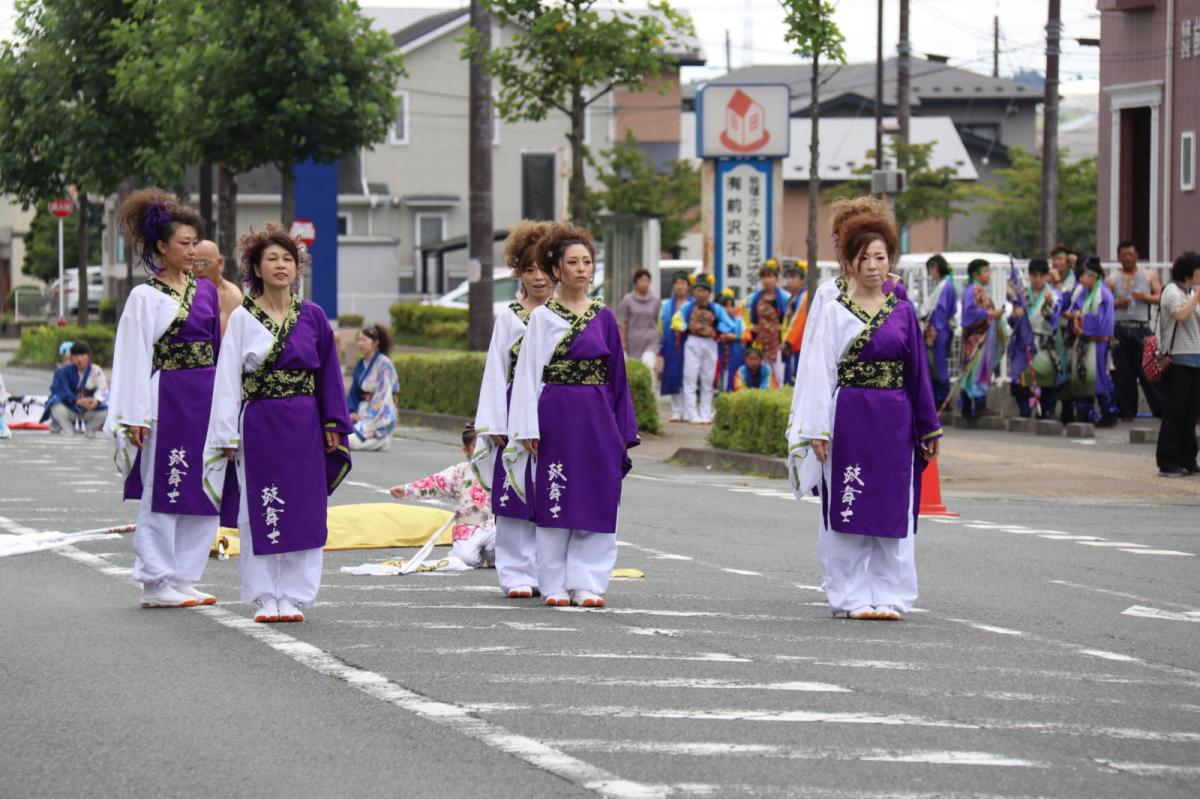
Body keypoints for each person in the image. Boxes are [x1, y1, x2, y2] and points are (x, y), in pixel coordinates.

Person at [792, 204, 941, 621]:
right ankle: (850, 595)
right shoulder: (835, 309)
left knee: (893, 505)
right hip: (850, 417)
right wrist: (816, 428)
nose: (873, 266)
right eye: (864, 257)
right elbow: (819, 372)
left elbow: (918, 375)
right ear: (849, 262)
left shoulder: (903, 311)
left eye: (881, 256)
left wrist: (928, 430)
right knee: (849, 503)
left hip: (895, 419)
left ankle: (891, 595)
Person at [204, 224, 352, 623]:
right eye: (272, 258)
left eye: (289, 258)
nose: (281, 265)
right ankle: (264, 594)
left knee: (305, 508)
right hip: (260, 423)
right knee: (260, 506)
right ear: (256, 266)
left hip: (305, 422)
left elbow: (329, 376)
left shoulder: (313, 316)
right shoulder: (241, 318)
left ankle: (295, 595)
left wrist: (332, 422)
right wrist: (225, 432)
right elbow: (228, 376)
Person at [506, 224, 639, 608]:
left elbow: (618, 378)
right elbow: (528, 375)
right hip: (556, 415)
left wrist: (622, 429)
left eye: (587, 262)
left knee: (596, 495)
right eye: (573, 262)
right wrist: (526, 427)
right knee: (556, 493)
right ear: (556, 269)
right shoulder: (544, 318)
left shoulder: (605, 317)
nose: (582, 269)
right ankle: (552, 583)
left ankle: (588, 583)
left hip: (598, 417)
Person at [105, 188, 222, 610]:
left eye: (196, 244)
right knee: (165, 487)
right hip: (167, 398)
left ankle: (184, 576)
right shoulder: (145, 296)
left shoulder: (205, 292)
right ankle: (155, 580)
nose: (193, 251)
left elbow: (218, 350)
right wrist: (134, 414)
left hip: (205, 398)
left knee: (206, 486)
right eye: (184, 244)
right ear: (161, 246)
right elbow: (133, 357)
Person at [472, 219, 553, 599]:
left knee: (553, 488)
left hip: (555, 410)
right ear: (518, 272)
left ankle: (549, 568)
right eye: (529, 269)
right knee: (515, 492)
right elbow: (495, 371)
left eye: (544, 268)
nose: (538, 278)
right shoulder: (510, 317)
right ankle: (516, 571)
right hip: (512, 413)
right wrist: (493, 422)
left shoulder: (563, 318)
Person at [392, 424, 496, 567]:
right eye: (476, 446)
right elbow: (435, 483)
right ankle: (477, 554)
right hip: (468, 527)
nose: (482, 451)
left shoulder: (502, 470)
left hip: (495, 526)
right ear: (467, 450)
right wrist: (406, 490)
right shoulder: (461, 472)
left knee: (501, 549)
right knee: (466, 560)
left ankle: (493, 557)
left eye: (487, 446)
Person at [1154, 252, 1200, 476]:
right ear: (1190, 271)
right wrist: (1196, 298)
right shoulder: (1172, 291)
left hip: (1195, 360)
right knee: (1175, 413)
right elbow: (1181, 315)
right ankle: (1167, 461)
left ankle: (1188, 459)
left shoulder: (1190, 293)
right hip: (1178, 360)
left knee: (1190, 413)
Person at [1108, 241, 1164, 420]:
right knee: (1123, 373)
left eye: (1130, 254)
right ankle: (1126, 411)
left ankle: (1160, 409)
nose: (1127, 258)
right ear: (1118, 258)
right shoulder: (1112, 278)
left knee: (1149, 370)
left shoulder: (1148, 275)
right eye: (1124, 255)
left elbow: (1162, 297)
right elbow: (1104, 303)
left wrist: (1145, 297)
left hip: (1142, 327)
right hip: (1120, 328)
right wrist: (1118, 303)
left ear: (1137, 256)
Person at [1064, 257, 1119, 427]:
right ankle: (1085, 413)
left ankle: (1108, 413)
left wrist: (1080, 319)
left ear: (1093, 276)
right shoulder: (1083, 292)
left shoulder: (1103, 294)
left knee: (1099, 379)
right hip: (1084, 341)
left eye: (1084, 276)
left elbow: (1102, 322)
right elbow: (1073, 310)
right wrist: (1074, 319)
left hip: (1098, 342)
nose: (1081, 280)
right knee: (1082, 377)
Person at [674, 274, 736, 424]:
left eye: (704, 290)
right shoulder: (688, 307)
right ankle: (692, 414)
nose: (701, 294)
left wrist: (717, 330)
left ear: (709, 292)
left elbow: (730, 324)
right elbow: (676, 320)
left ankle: (706, 413)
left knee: (708, 380)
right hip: (693, 341)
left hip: (710, 343)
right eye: (698, 290)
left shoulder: (717, 308)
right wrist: (685, 327)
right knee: (690, 378)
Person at [1008, 259, 1065, 418]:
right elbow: (1013, 322)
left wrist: (1048, 303)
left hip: (1044, 342)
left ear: (1046, 276)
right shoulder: (1022, 295)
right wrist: (1015, 315)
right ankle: (1024, 410)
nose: (1037, 279)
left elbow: (1052, 318)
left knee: (1047, 377)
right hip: (1024, 344)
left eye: (1041, 276)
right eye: (1034, 275)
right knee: (1021, 378)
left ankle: (1047, 411)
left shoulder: (1054, 295)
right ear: (1029, 275)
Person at [959, 259, 1007, 423]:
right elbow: (969, 313)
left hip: (982, 338)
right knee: (975, 371)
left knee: (977, 371)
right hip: (976, 339)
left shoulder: (977, 290)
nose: (989, 275)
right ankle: (974, 406)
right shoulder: (973, 290)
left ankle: (972, 406)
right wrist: (991, 314)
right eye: (986, 271)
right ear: (976, 274)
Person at [347, 323, 399, 451]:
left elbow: (383, 396)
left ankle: (381, 439)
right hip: (361, 410)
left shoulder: (384, 364)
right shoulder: (360, 364)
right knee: (340, 433)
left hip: (378, 414)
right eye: (358, 340)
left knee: (350, 440)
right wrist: (351, 411)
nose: (360, 343)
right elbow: (354, 392)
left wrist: (367, 416)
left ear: (375, 343)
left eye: (364, 340)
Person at [42, 340, 108, 437]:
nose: (79, 359)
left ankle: (90, 428)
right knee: (55, 405)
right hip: (70, 408)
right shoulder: (64, 371)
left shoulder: (96, 370)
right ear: (72, 357)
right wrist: (76, 400)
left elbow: (103, 389)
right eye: (76, 356)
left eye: (82, 355)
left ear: (88, 356)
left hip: (88, 409)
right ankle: (67, 428)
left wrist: (96, 401)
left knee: (107, 411)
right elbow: (59, 389)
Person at [920, 254, 956, 410]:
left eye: (930, 270)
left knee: (938, 365)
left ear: (935, 267)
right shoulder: (947, 284)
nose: (930, 274)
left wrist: (934, 329)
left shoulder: (945, 286)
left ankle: (941, 399)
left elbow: (940, 310)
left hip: (937, 331)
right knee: (935, 365)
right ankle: (939, 399)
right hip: (938, 330)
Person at [747, 262, 790, 386]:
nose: (767, 280)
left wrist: (783, 329)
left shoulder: (784, 297)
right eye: (764, 277)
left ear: (776, 279)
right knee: (764, 374)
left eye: (770, 276)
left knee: (779, 374)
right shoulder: (755, 298)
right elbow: (752, 320)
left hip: (778, 342)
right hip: (761, 341)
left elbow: (789, 320)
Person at [657, 271, 691, 422]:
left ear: (688, 286)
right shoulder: (667, 305)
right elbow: (661, 324)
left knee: (687, 375)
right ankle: (676, 410)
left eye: (682, 283)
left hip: (687, 341)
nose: (679, 286)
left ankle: (687, 409)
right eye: (676, 283)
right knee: (672, 374)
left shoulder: (692, 304)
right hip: (671, 342)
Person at [616, 267, 661, 375]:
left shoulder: (656, 301)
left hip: (651, 340)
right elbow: (623, 322)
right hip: (633, 340)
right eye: (641, 281)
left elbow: (656, 320)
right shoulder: (628, 300)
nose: (644, 283)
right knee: (634, 370)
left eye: (647, 281)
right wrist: (623, 341)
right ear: (636, 283)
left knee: (648, 365)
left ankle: (649, 390)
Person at [193, 239, 244, 334]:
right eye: (194, 263)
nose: (199, 269)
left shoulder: (231, 295)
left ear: (219, 262)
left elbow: (222, 337)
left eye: (205, 263)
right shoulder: (187, 290)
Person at [781, 265, 807, 385]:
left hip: (798, 344)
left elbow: (799, 320)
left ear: (802, 280)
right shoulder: (792, 297)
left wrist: (788, 342)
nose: (789, 280)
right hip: (792, 344)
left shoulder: (805, 296)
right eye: (788, 277)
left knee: (796, 380)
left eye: (793, 277)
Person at [717, 290, 745, 391]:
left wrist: (734, 337)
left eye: (731, 306)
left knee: (734, 372)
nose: (728, 309)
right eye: (725, 306)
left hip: (735, 351)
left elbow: (745, 335)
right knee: (722, 373)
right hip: (721, 351)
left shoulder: (739, 321)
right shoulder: (716, 320)